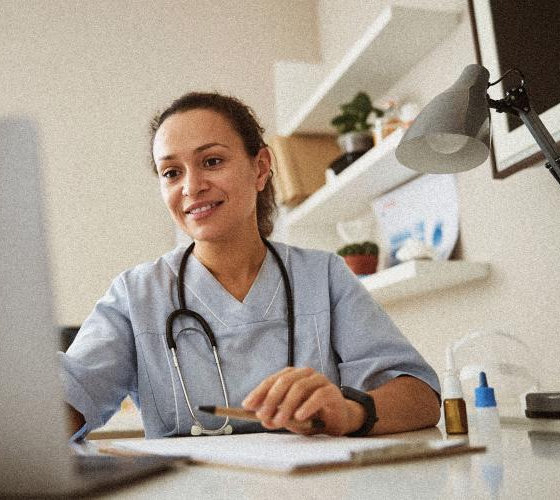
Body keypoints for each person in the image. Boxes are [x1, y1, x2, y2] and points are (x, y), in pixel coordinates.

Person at [61, 92, 441, 439]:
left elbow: (420, 397)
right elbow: (69, 400)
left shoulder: (322, 276)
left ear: (260, 168)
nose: (191, 187)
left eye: (211, 161)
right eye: (171, 173)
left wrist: (349, 411)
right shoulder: (136, 295)